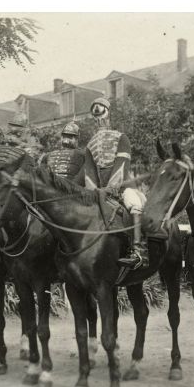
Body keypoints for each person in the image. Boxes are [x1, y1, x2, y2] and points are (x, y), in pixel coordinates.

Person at [84, 97, 148, 270]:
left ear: (108, 113)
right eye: (95, 117)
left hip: (123, 187)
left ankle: (138, 250)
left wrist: (111, 189)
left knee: (134, 204)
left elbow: (121, 167)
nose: (99, 120)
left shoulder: (121, 137)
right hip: (99, 191)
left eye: (101, 114)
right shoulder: (89, 145)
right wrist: (94, 190)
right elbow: (89, 173)